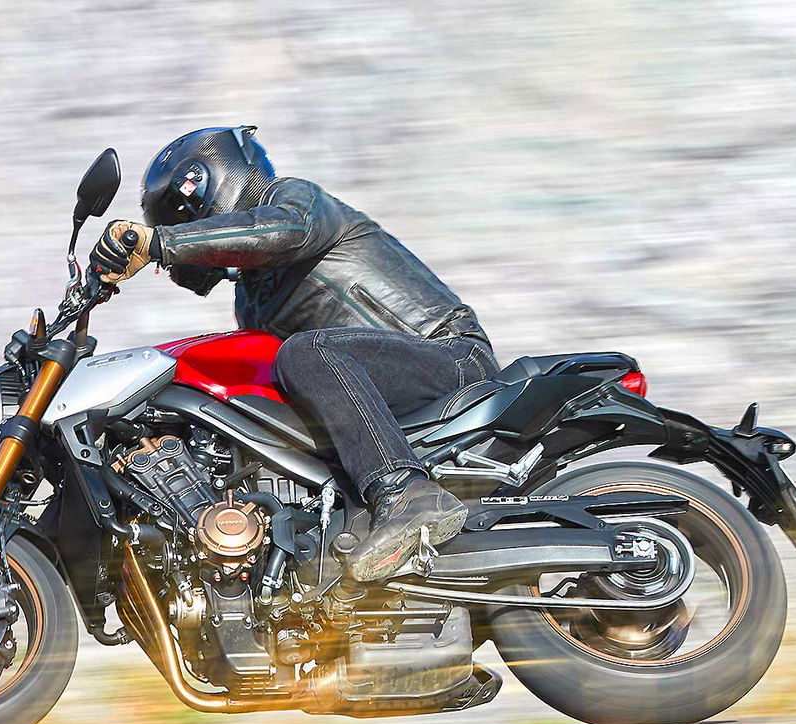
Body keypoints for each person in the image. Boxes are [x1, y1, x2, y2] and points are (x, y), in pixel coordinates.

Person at [88, 125, 494, 583]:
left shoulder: (296, 200)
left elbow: (282, 231)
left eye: (181, 222)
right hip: (379, 393)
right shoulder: (252, 298)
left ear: (204, 183)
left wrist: (162, 243)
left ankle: (408, 494)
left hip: (448, 357)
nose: (182, 242)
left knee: (306, 351)